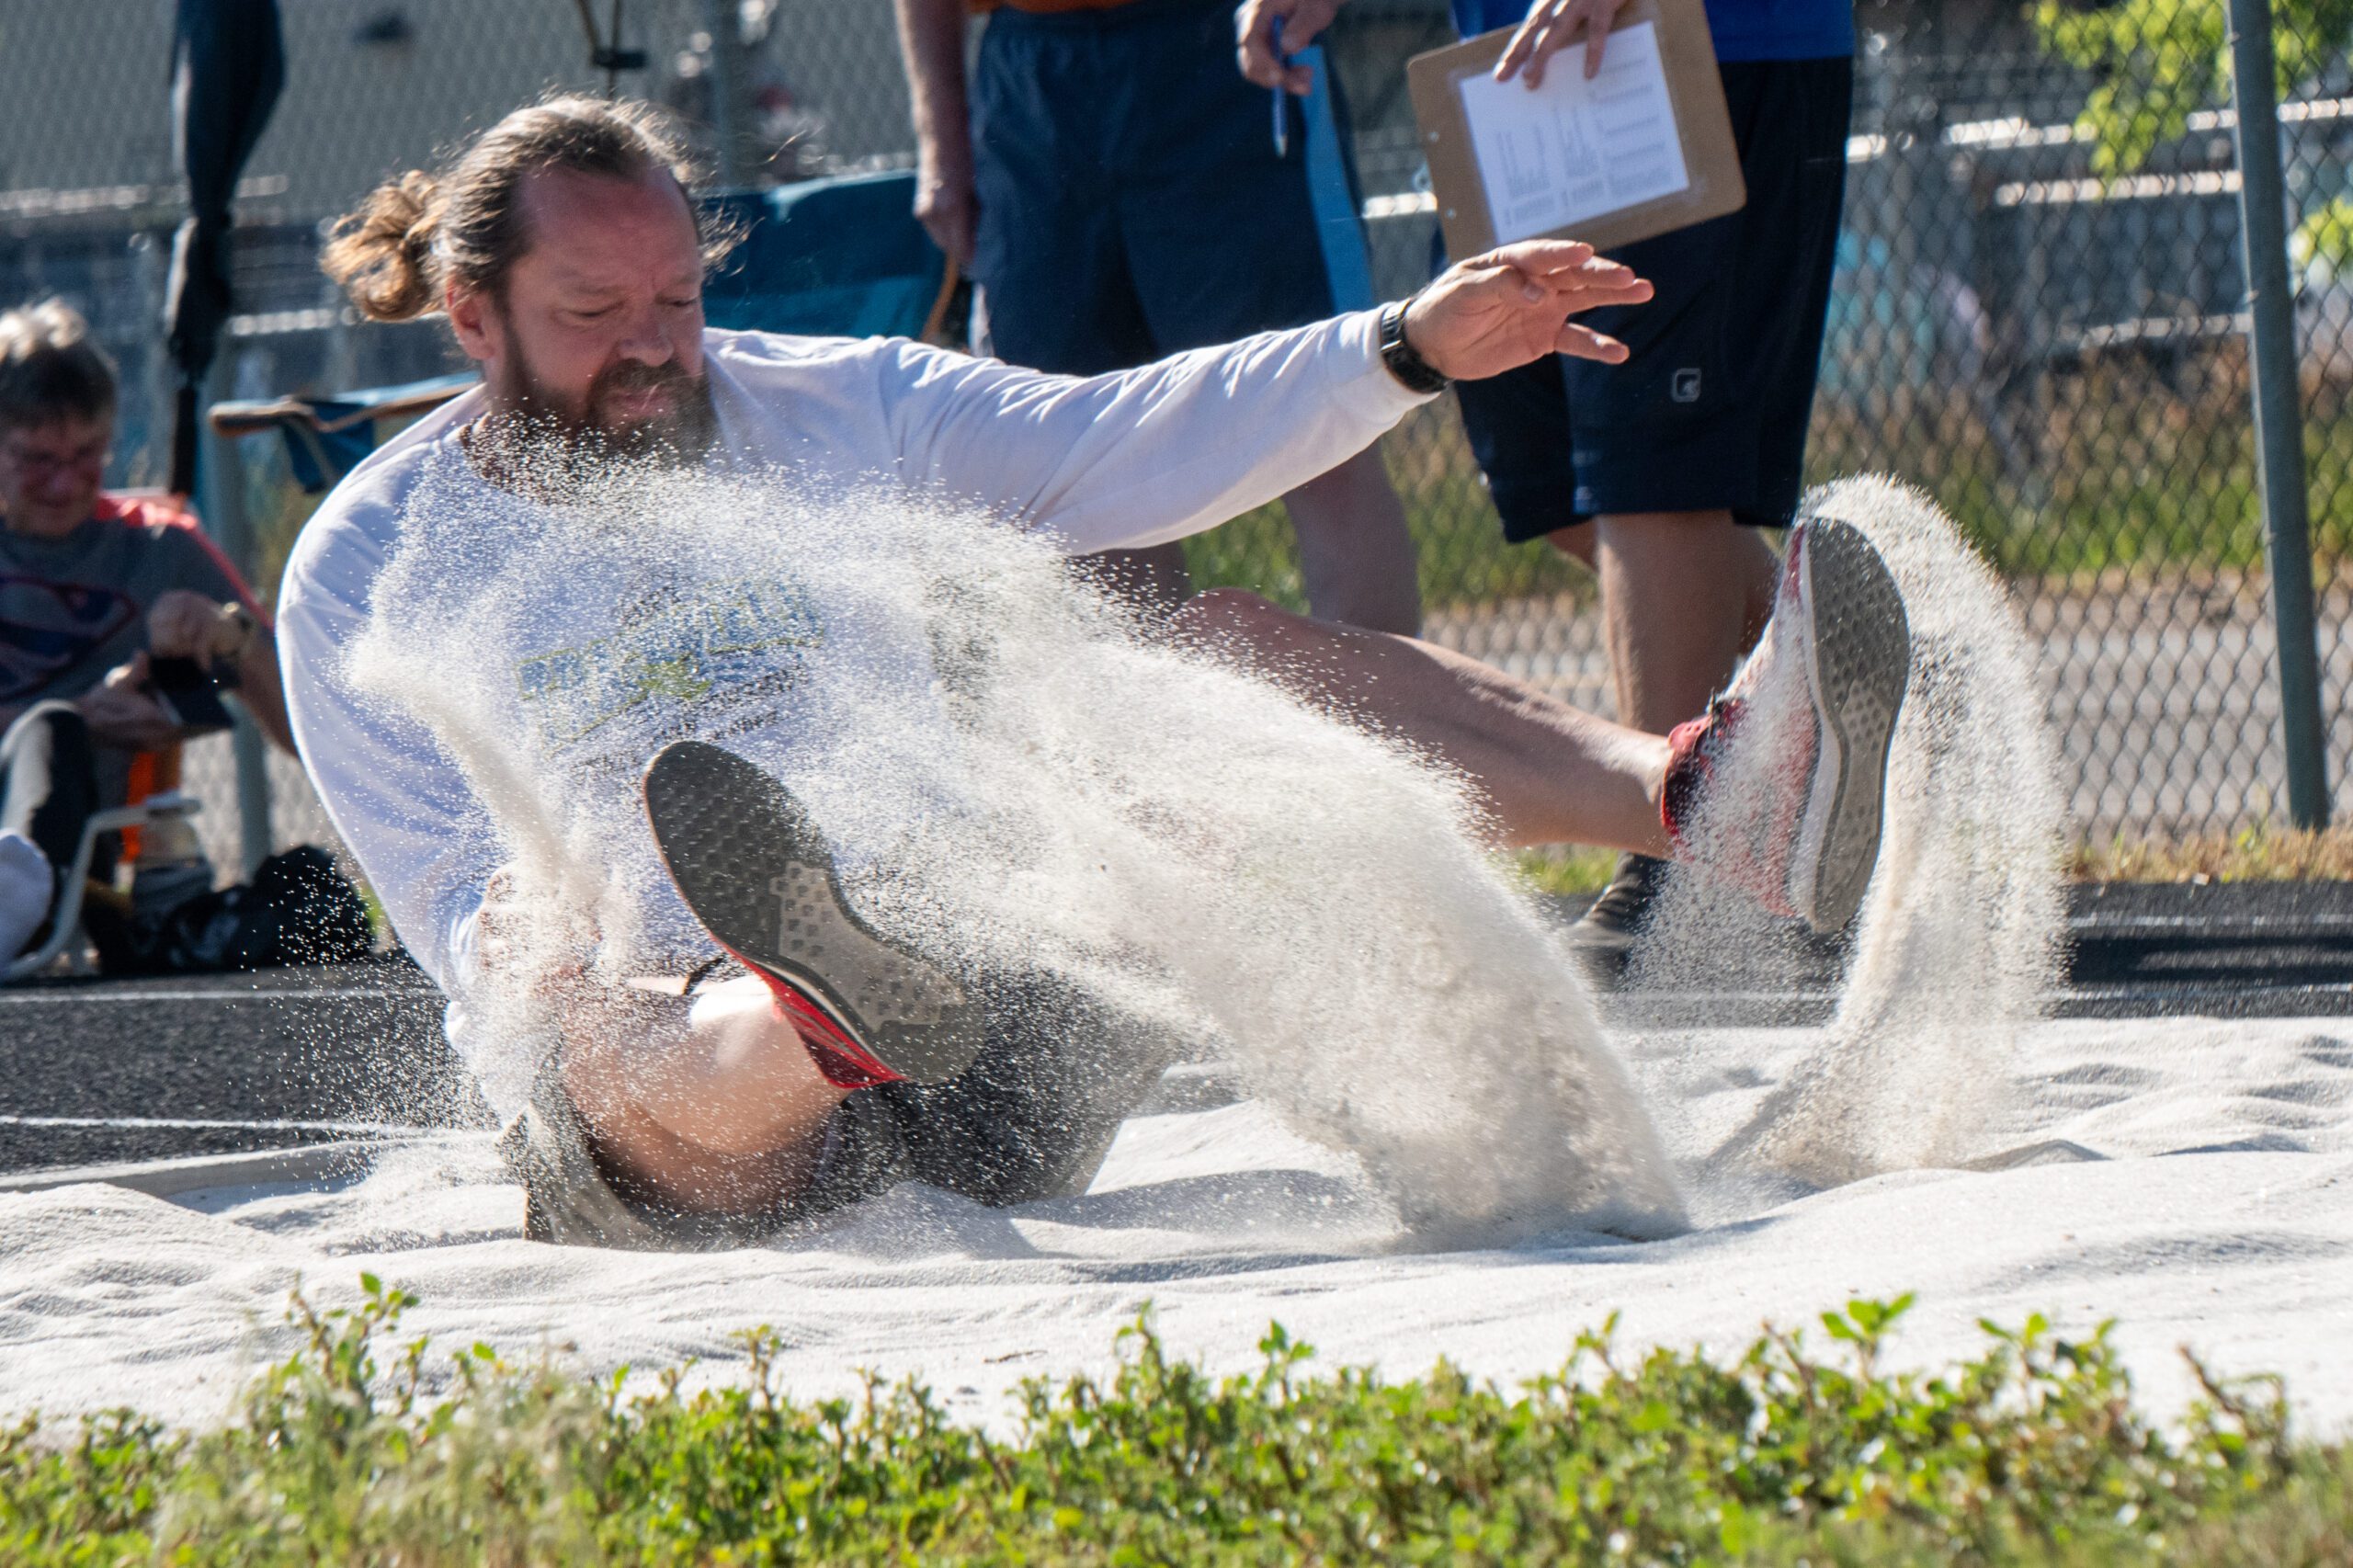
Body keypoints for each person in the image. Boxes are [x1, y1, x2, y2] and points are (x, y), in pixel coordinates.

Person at [278, 97, 1906, 1249]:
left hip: (993, 1015)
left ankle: (1706, 804)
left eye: (679, 299)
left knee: (1188, 664)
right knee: (583, 1013)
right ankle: (814, 1001)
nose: (652, 347)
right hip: (700, 1136)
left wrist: (1406, 344)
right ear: (470, 322)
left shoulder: (835, 406)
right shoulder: (369, 573)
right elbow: (469, 949)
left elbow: (1128, 435)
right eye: (592, 311)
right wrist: (543, 959)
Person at [1239, 0, 1856, 947]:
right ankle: (1859, 697)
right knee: (1555, 482)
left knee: (1650, 480)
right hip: (1513, 77)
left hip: (1691, 44)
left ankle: (1674, 869)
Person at [893, 0, 1422, 633]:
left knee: (1320, 418)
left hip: (1226, 54)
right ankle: (1145, 726)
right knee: (1077, 454)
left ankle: (1387, 727)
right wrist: (939, 138)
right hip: (1029, 78)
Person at [0, 299, 298, 970]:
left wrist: (229, 646)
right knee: (52, 727)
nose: (63, 482)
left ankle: (21, 895)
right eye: (35, 459)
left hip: (85, 863)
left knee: (59, 735)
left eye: (85, 456)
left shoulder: (159, 551)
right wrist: (78, 718)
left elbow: (302, 730)